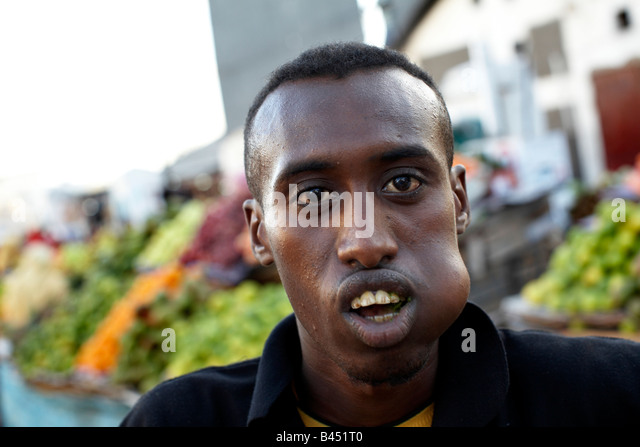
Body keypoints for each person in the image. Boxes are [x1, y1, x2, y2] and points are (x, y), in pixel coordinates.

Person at [120, 41, 640, 427]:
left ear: (458, 201)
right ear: (259, 235)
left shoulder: (610, 397)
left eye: (402, 182)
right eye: (314, 198)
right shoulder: (176, 421)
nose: (366, 241)